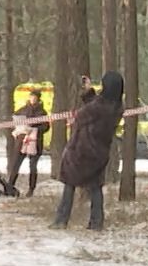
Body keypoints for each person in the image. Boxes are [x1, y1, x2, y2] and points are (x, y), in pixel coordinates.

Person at [53, 71, 123, 231]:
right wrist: (89, 91)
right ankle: (96, 222)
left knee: (70, 183)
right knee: (95, 187)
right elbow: (96, 105)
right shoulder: (117, 107)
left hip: (82, 151)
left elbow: (83, 115)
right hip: (100, 152)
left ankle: (61, 219)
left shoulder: (99, 107)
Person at [6, 87, 49, 196]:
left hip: (35, 143)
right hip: (22, 142)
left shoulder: (42, 112)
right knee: (16, 164)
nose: (32, 99)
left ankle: (31, 188)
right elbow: (14, 121)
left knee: (33, 166)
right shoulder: (23, 109)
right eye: (31, 96)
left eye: (35, 97)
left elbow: (46, 126)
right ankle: (10, 185)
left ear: (38, 99)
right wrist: (18, 129)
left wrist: (35, 129)